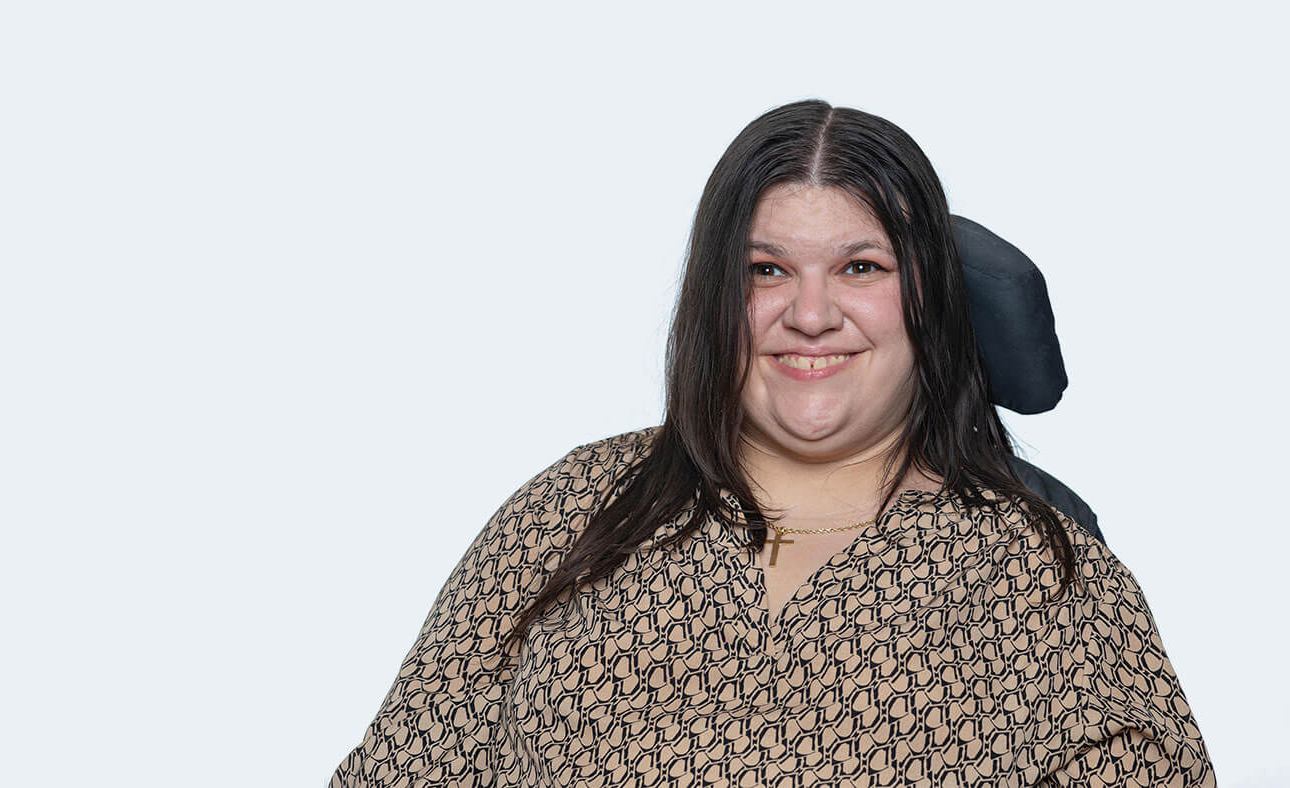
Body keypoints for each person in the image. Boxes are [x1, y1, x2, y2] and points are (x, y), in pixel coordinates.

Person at [328, 100, 1216, 786]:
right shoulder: (573, 510)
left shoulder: (1045, 575)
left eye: (860, 268)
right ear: (719, 298)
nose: (811, 314)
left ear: (925, 299)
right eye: (768, 270)